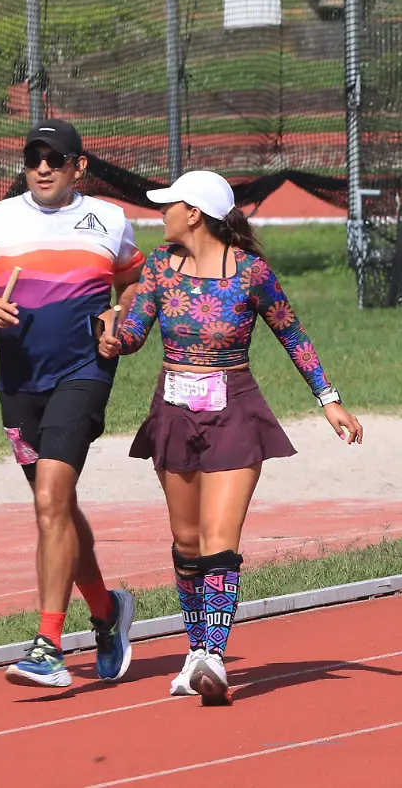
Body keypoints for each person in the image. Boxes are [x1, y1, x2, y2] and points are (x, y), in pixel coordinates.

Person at [103, 169, 363, 704]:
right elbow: (131, 338)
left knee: (221, 543)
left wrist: (329, 399)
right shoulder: (158, 268)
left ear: (194, 214)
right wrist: (108, 335)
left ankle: (215, 657)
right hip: (173, 413)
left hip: (235, 412)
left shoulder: (251, 273)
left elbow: (291, 332)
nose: (162, 213)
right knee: (188, 544)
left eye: (169, 205)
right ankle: (195, 652)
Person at [0, 119, 143, 688]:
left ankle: (48, 646)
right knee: (54, 508)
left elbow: (134, 282)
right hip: (18, 381)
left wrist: (120, 314)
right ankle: (108, 614)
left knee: (50, 501)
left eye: (54, 159)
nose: (42, 168)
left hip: (83, 372)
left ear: (77, 167)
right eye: (34, 158)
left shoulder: (109, 219)